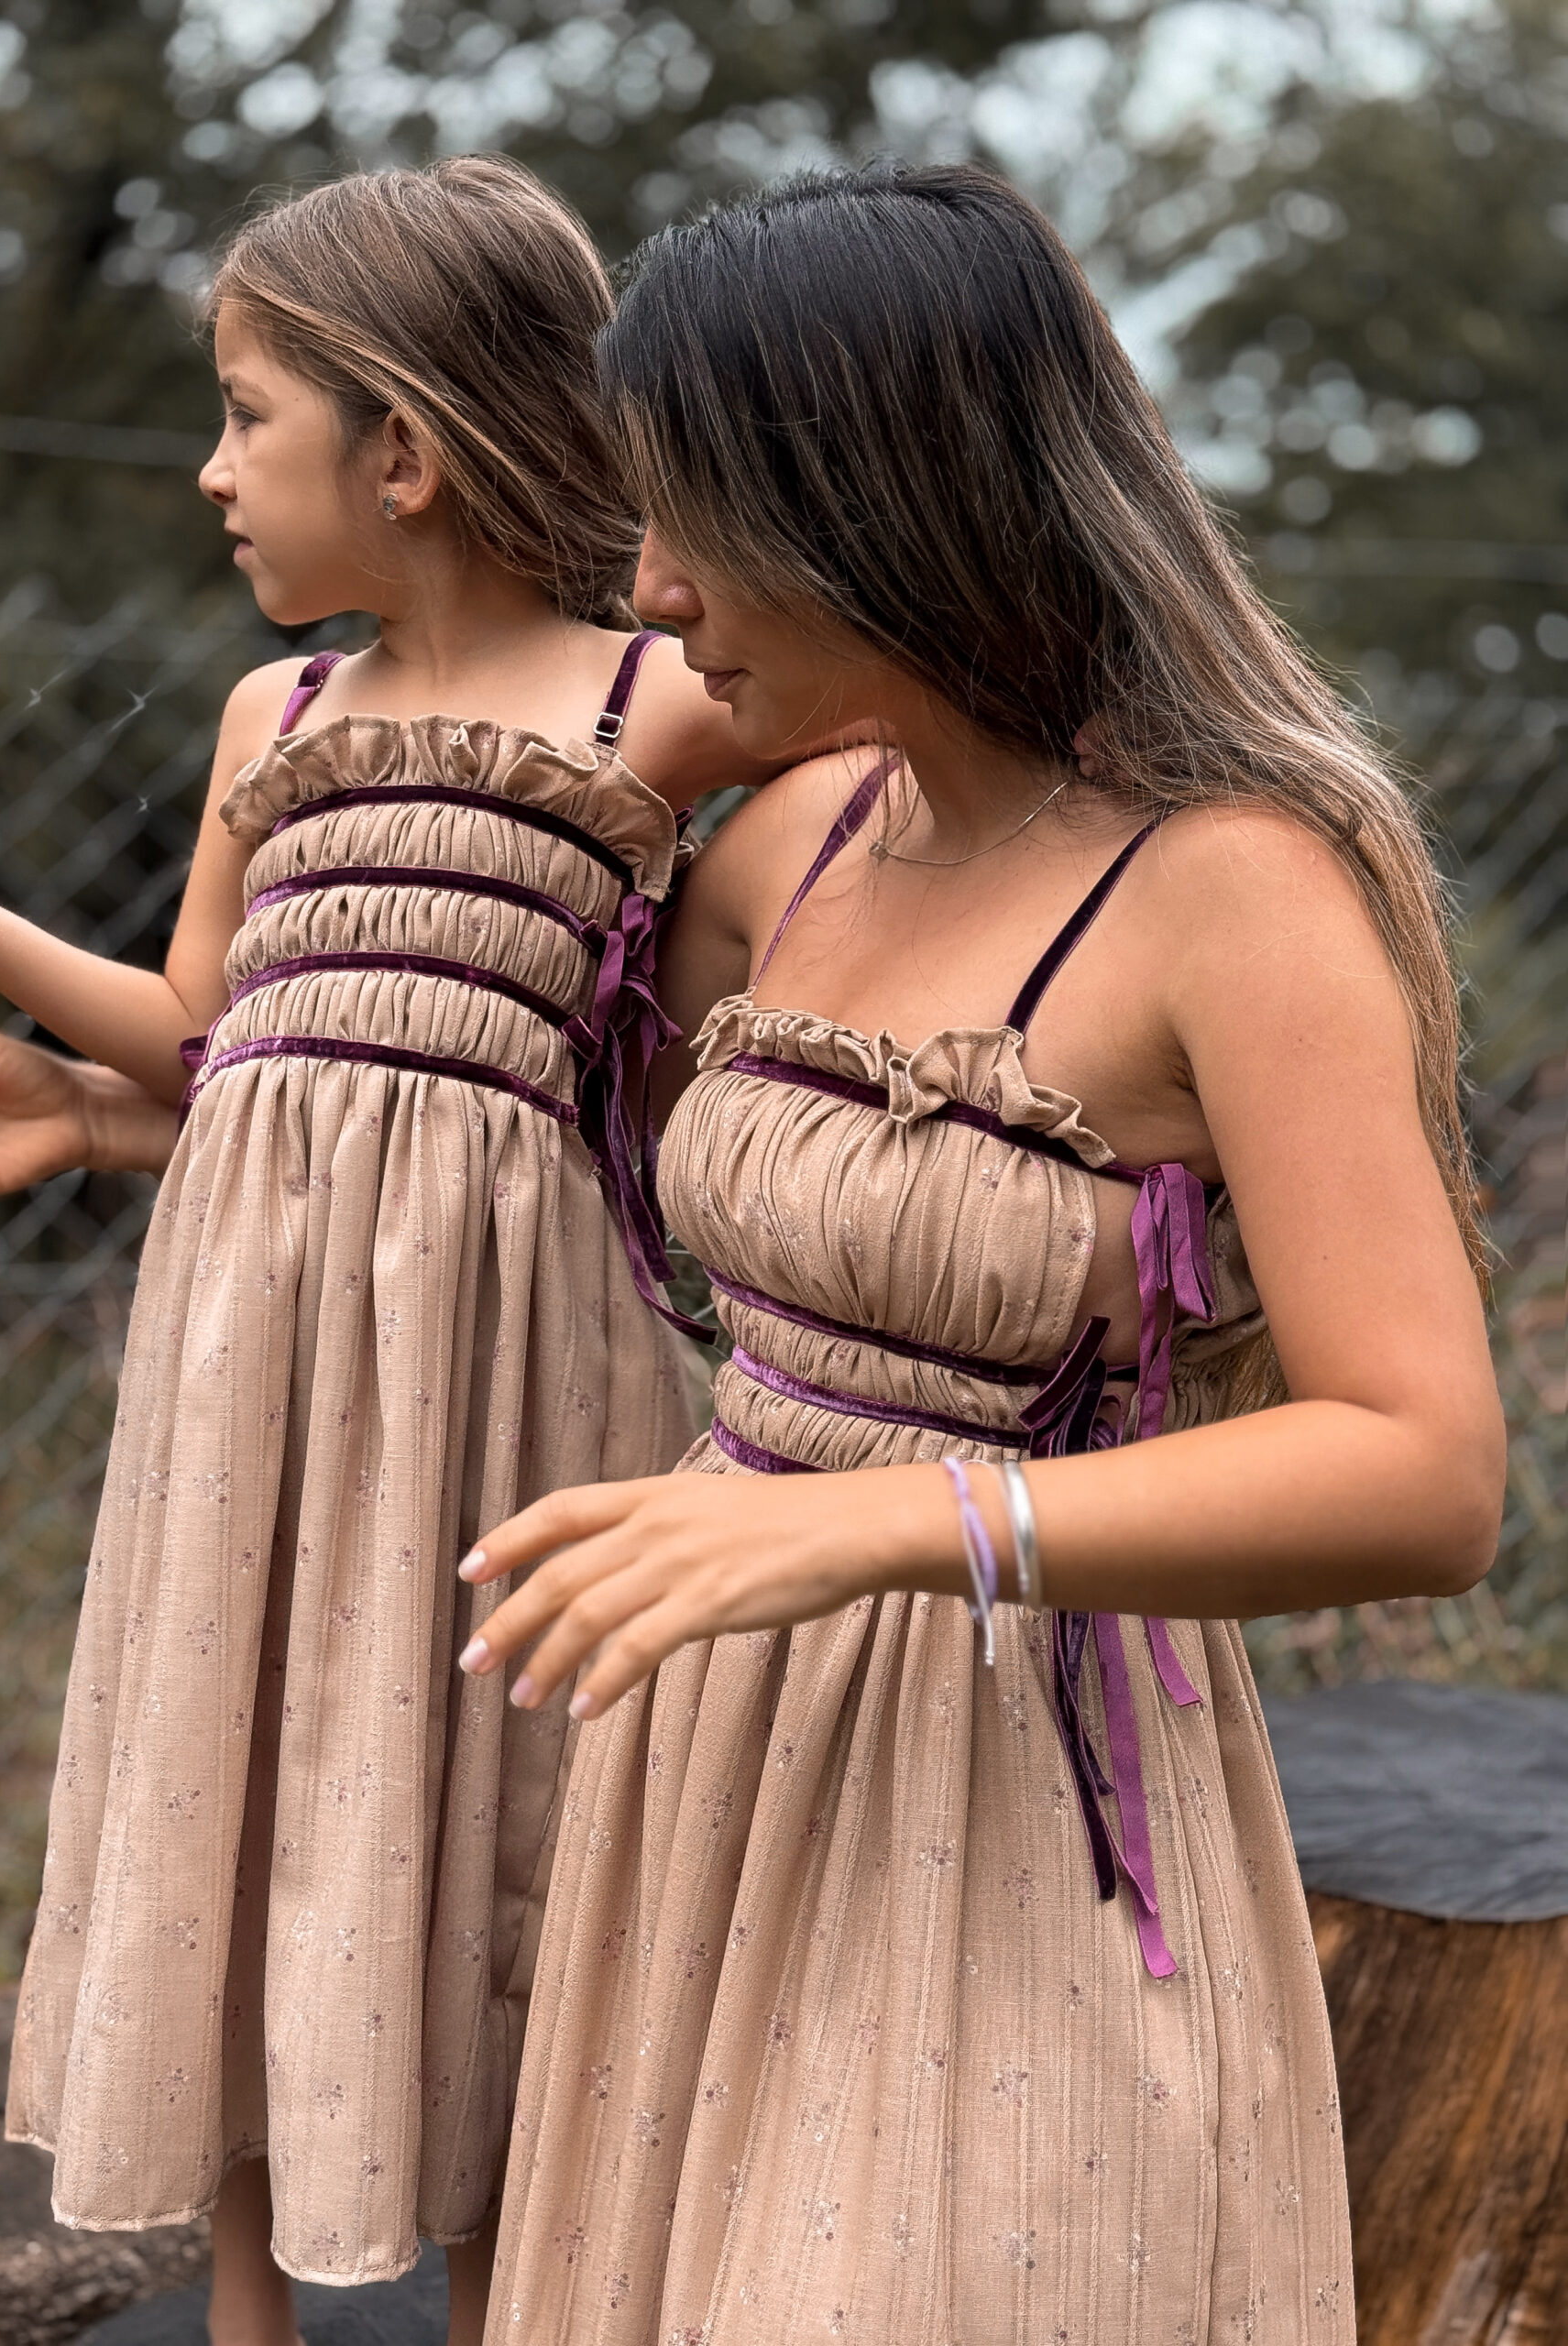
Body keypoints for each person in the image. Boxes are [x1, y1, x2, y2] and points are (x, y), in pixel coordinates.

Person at [443, 165, 1506, 2343]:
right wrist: (109, 1099)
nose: (648, 590)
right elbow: (475, 1037)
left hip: (1022, 1797)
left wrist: (878, 1528)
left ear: (873, 500)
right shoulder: (808, 823)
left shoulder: (1235, 891)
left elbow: (1427, 1465)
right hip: (722, 1772)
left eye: (693, 519)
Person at [0, 159, 768, 2346]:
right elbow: (214, 1039)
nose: (212, 468)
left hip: (520, 1378)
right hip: (251, 1384)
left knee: (502, 1823)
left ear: (406, 451)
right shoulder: (281, 725)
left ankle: (508, 2301)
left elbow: (610, 1042)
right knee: (252, 1792)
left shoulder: (662, 706)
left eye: (249, 415)